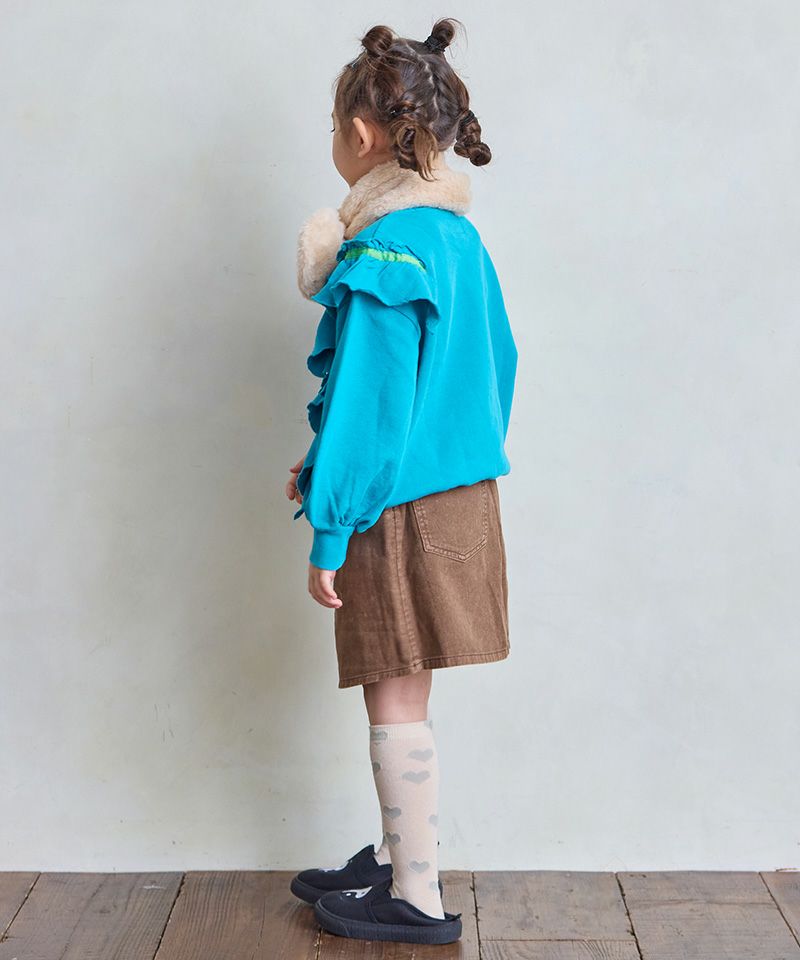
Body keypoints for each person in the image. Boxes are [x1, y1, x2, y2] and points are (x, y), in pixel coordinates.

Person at [285, 17, 518, 946]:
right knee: (410, 685)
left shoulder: (384, 248)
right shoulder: (458, 239)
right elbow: (497, 367)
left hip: (397, 503)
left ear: (360, 134)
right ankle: (397, 853)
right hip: (461, 496)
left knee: (390, 686)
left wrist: (331, 520)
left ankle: (416, 895)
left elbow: (372, 406)